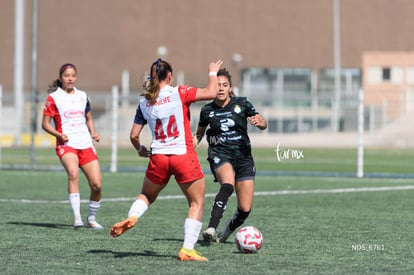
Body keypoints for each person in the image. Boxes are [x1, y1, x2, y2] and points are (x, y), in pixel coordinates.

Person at [110, 58, 223, 262]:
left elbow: (134, 135)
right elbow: (211, 93)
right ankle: (187, 249)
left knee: (146, 195)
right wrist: (213, 72)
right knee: (196, 202)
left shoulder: (145, 101)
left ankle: (133, 216)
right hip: (182, 155)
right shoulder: (179, 92)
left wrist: (140, 149)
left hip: (159, 156)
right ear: (169, 76)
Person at [193, 68, 267, 244]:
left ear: (230, 88)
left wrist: (260, 123)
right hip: (219, 154)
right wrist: (190, 145)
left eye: (224, 85)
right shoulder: (207, 110)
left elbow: (263, 123)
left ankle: (227, 230)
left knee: (245, 209)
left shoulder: (242, 104)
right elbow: (199, 134)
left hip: (244, 158)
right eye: (217, 85)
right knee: (227, 184)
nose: (220, 88)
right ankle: (211, 227)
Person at [42, 63, 104, 230]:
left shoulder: (83, 95)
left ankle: (91, 218)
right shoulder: (54, 98)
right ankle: (77, 219)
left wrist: (93, 133)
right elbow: (45, 124)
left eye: (73, 75)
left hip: (85, 143)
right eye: (66, 75)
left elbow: (89, 118)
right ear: (61, 78)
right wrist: (58, 135)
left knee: (97, 185)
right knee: (73, 173)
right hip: (67, 143)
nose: (70, 78)